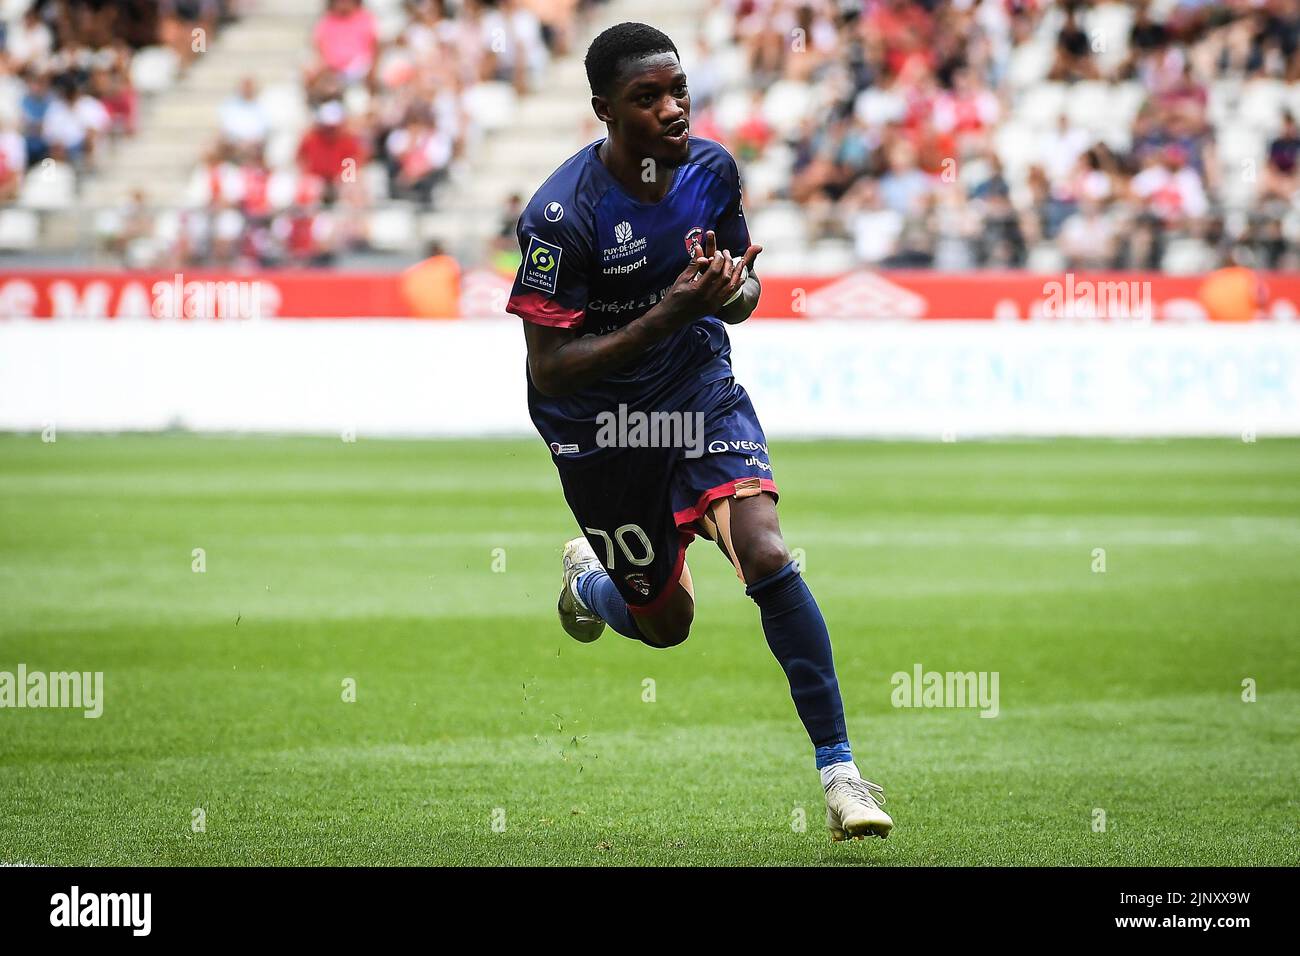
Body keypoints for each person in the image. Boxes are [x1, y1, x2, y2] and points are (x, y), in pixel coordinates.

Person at [504, 21, 893, 842]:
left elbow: (742, 290)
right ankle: (591, 583)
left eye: (679, 90)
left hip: (696, 390)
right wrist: (669, 310)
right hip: (601, 426)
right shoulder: (558, 215)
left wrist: (727, 295)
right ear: (605, 110)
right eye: (648, 99)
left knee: (767, 553)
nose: (674, 110)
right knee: (666, 625)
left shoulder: (712, 170)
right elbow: (550, 369)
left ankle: (842, 774)